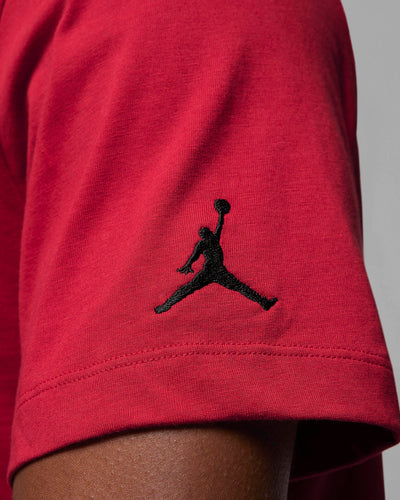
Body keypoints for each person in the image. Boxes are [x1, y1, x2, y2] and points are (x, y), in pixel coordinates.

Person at [0, 0, 399, 498]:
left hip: (216, 273)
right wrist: (188, 263)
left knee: (228, 292)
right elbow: (197, 251)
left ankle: (220, 304)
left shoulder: (180, 19)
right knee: (207, 290)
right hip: (211, 272)